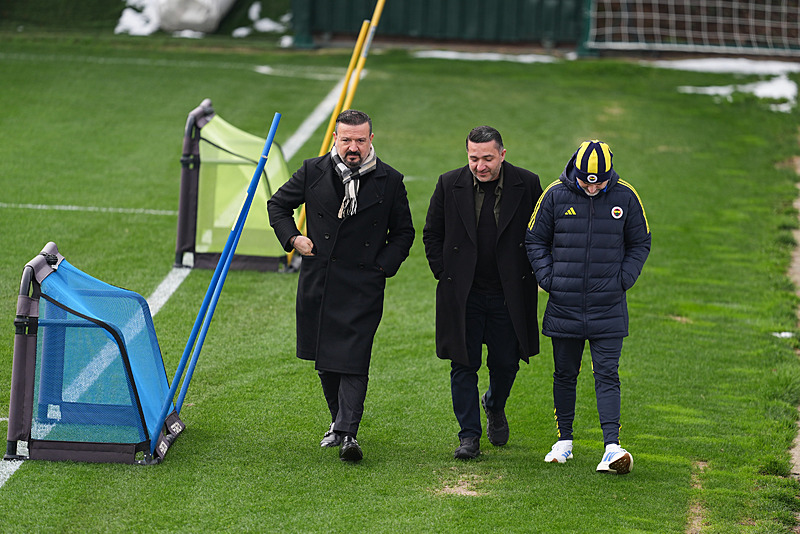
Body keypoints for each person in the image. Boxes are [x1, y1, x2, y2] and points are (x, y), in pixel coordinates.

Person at [267, 109, 414, 462]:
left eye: (360, 140)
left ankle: (348, 433)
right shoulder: (312, 170)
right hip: (319, 280)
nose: (353, 147)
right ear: (335, 138)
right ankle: (339, 423)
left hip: (363, 284)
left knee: (353, 359)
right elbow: (278, 205)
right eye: (346, 139)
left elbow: (404, 233)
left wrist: (381, 267)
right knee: (326, 359)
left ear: (371, 140)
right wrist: (294, 240)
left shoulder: (390, 180)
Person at [525, 139, 650, 474]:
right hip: (564, 303)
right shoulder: (554, 195)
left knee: (607, 374)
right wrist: (549, 278)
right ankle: (564, 442)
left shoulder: (626, 196)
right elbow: (534, 238)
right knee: (565, 373)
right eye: (586, 181)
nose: (593, 187)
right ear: (575, 172)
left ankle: (612, 448)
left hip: (608, 305)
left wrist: (623, 278)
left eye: (599, 181)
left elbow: (640, 241)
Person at [423, 126, 543, 460]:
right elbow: (432, 233)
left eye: (487, 158)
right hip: (464, 296)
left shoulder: (528, 183)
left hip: (509, 294)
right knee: (463, 365)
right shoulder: (449, 183)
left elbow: (542, 231)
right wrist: (445, 273)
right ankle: (469, 437)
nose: (480, 166)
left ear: (502, 154)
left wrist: (537, 274)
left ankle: (494, 404)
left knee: (506, 364)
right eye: (474, 158)